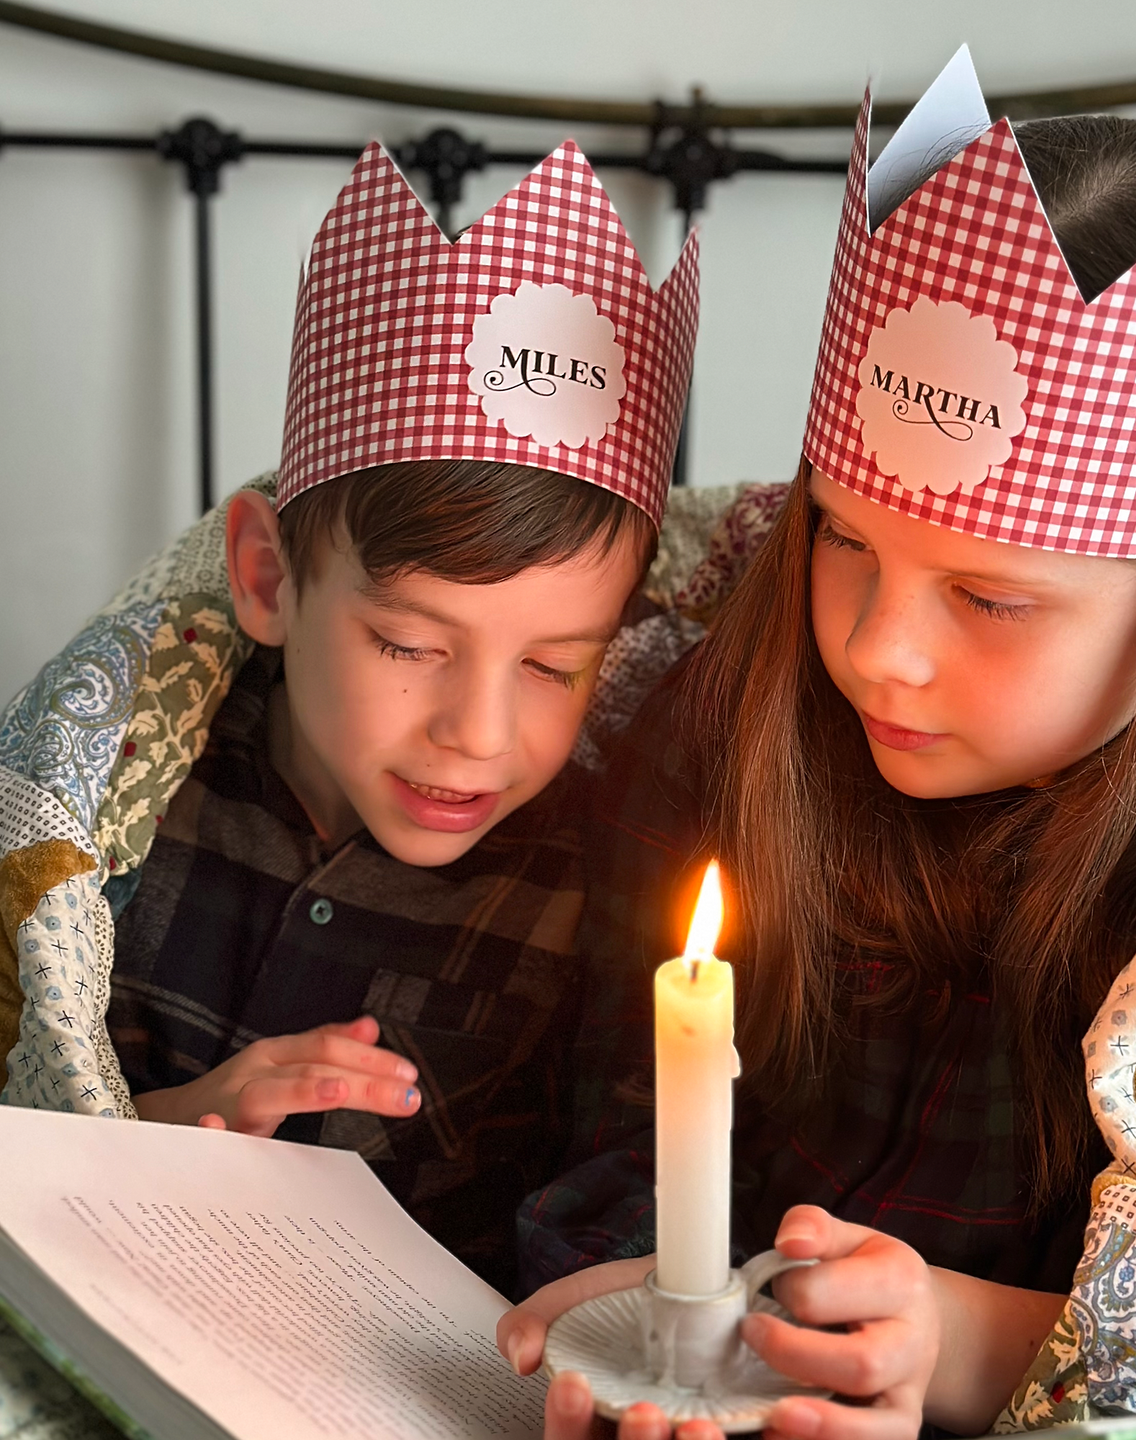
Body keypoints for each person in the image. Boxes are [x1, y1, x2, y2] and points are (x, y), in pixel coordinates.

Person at [501, 47, 1136, 1440]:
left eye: (993, 598)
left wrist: (946, 1348)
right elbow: (620, 1111)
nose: (881, 647)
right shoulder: (733, 703)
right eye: (847, 539)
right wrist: (652, 1301)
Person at [0, 137, 703, 1297]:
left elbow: (623, 1203)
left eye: (555, 666)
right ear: (269, 581)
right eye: (409, 645)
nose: (478, 733)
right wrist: (164, 1129)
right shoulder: (136, 796)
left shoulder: (599, 889)